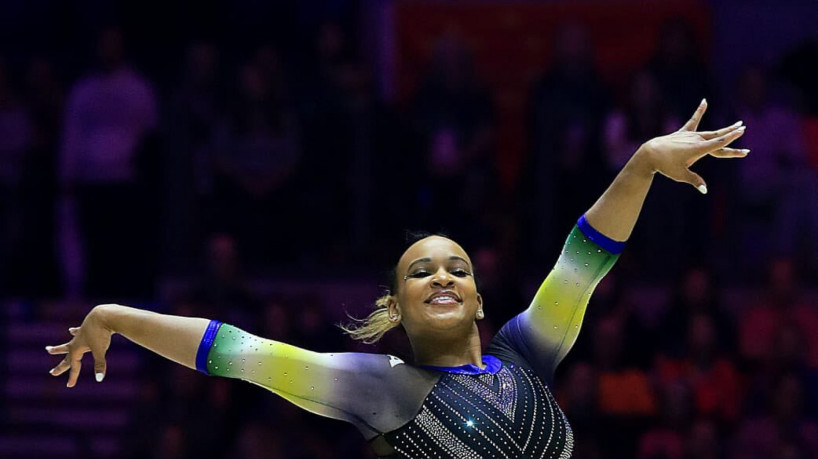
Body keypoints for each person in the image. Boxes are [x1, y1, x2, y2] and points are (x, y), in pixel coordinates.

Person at [44, 100, 748, 458]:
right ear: (397, 306)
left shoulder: (525, 352)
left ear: (478, 301)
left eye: (458, 268)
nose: (442, 275)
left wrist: (643, 163)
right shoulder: (382, 386)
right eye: (421, 271)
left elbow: (584, 259)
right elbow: (237, 352)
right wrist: (115, 315)